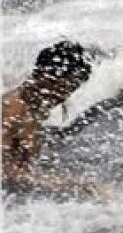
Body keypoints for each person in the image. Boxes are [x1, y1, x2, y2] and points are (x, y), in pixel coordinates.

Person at [2, 41, 110, 200]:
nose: (62, 97)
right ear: (41, 75)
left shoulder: (34, 109)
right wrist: (75, 186)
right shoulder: (13, 110)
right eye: (60, 87)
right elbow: (5, 175)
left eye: (71, 90)